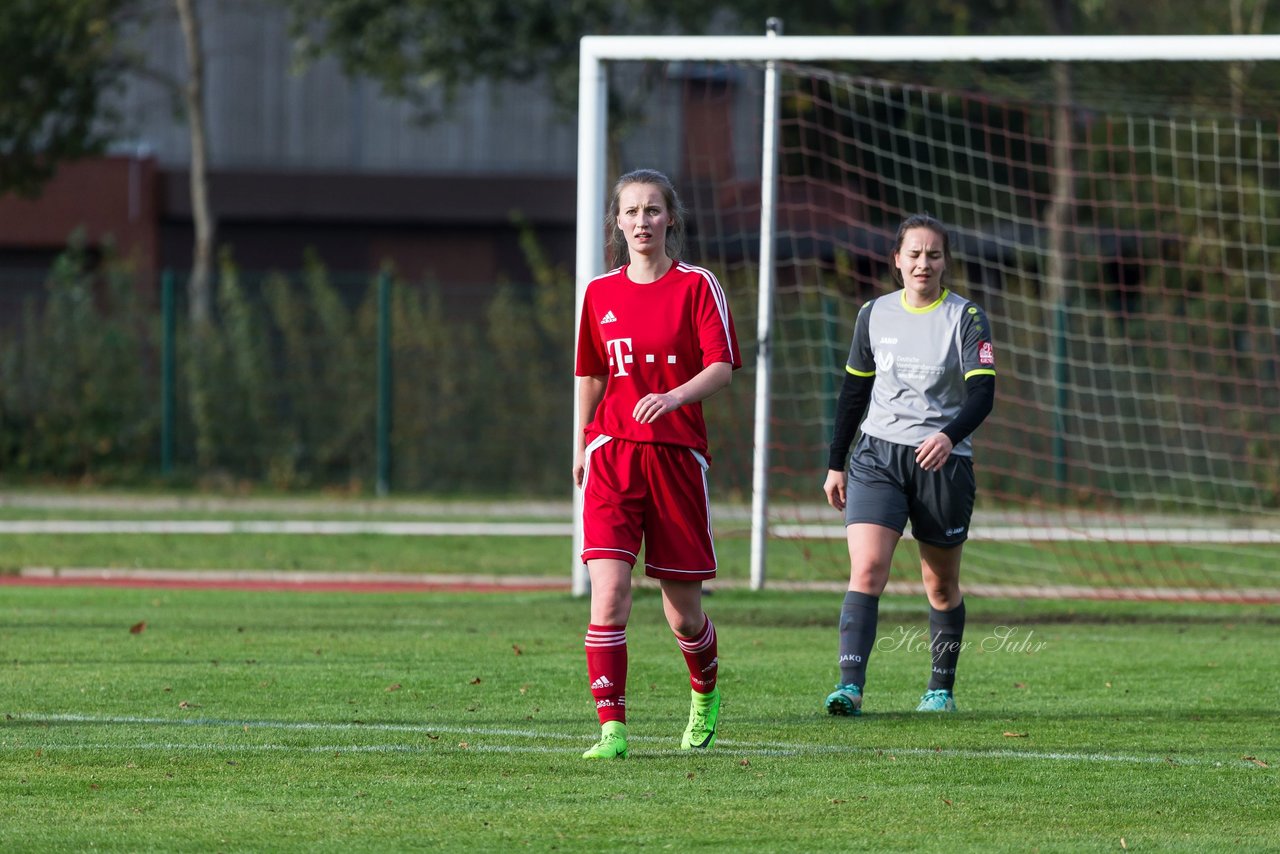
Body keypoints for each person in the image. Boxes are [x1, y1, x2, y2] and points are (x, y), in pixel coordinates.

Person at [574, 168, 742, 759]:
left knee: (683, 614)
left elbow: (721, 367)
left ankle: (704, 693)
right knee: (610, 594)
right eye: (631, 212)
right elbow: (593, 374)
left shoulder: (698, 285)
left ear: (670, 218)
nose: (641, 222)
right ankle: (612, 731)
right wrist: (581, 443)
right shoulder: (599, 293)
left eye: (652, 211)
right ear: (616, 223)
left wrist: (673, 397)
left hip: (675, 458)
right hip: (612, 454)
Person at [822, 213, 996, 716]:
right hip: (877, 456)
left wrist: (948, 436)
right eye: (914, 254)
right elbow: (854, 391)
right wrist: (836, 464)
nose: (924, 263)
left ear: (945, 262)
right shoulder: (873, 313)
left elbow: (983, 393)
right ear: (896, 260)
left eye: (934, 255)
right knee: (869, 567)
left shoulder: (966, 318)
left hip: (944, 462)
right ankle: (849, 687)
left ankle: (940, 689)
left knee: (939, 584)